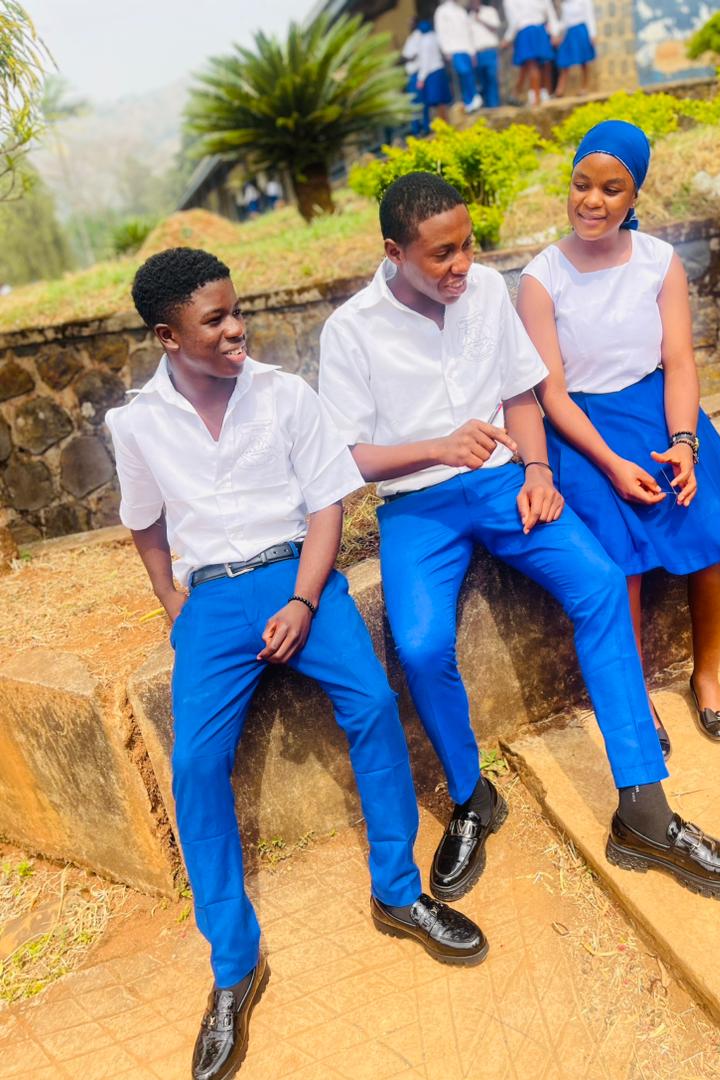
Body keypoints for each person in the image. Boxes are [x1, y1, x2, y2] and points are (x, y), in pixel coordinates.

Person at [318, 171, 720, 913]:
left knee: (599, 584)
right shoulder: (350, 329)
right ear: (394, 253)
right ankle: (472, 797)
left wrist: (535, 469)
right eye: (441, 254)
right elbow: (346, 457)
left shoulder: (485, 292)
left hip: (505, 484)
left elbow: (520, 392)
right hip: (417, 506)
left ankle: (644, 809)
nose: (462, 265)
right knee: (421, 647)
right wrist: (436, 447)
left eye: (467, 246)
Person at [106, 247, 487, 1080]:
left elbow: (326, 505)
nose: (236, 328)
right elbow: (145, 521)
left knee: (374, 705)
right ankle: (234, 966)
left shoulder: (284, 396)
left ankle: (398, 891)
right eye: (215, 320)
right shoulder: (135, 425)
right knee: (195, 764)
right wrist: (173, 604)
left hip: (297, 575)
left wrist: (305, 602)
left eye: (236, 310)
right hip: (211, 599)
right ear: (169, 336)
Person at [517, 120, 720, 759]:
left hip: (660, 413)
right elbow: (551, 394)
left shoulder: (659, 260)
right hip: (583, 431)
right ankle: (637, 695)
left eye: (611, 189)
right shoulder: (542, 278)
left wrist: (685, 443)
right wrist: (611, 464)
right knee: (620, 566)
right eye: (582, 184)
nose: (591, 201)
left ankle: (706, 675)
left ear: (634, 198)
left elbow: (678, 361)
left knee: (717, 540)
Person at [503, 0, 560, 105]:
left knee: (533, 65)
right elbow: (551, 14)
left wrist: (507, 38)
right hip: (539, 30)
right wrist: (555, 33)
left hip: (526, 31)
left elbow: (514, 21)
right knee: (539, 64)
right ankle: (531, 95)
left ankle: (537, 98)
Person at [434, 0, 483, 113]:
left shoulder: (461, 11)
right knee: (463, 73)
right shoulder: (442, 11)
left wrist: (472, 51)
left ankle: (472, 99)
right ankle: (468, 100)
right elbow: (440, 32)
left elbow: (468, 32)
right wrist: (445, 49)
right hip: (453, 49)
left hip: (466, 48)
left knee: (469, 74)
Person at [553, 0, 597, 96]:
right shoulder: (565, 4)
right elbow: (564, 22)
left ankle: (584, 87)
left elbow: (590, 17)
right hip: (569, 33)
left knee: (583, 61)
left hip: (581, 31)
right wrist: (557, 33)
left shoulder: (584, 1)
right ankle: (560, 89)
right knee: (564, 61)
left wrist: (593, 34)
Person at [415, 19, 454, 125]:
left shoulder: (424, 42)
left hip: (431, 74)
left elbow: (425, 62)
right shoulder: (435, 37)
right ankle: (446, 122)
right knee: (443, 101)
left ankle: (441, 124)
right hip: (440, 70)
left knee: (436, 102)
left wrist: (421, 78)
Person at [468, 0, 502, 108]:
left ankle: (494, 106)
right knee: (481, 81)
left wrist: (480, 20)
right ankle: (486, 107)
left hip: (490, 50)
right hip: (477, 53)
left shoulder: (490, 11)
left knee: (492, 77)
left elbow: (495, 27)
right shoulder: (468, 17)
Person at [402, 18, 430, 136]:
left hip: (417, 75)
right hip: (411, 76)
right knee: (413, 105)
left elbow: (414, 56)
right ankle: (416, 129)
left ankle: (425, 127)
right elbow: (405, 55)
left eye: (411, 23)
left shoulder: (419, 37)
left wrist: (421, 78)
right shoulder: (411, 38)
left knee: (421, 104)